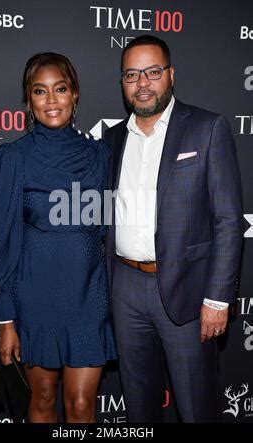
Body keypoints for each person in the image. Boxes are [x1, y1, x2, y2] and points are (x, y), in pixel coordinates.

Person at [104, 35, 243, 423]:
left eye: (152, 72)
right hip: (126, 290)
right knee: (138, 405)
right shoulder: (112, 139)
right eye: (132, 74)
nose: (142, 83)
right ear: (122, 82)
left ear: (171, 75)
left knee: (196, 405)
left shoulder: (206, 128)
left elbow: (229, 220)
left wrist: (217, 299)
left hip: (187, 289)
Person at [0, 52, 117, 423]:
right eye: (40, 91)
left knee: (81, 406)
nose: (51, 100)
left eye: (60, 89)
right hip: (34, 301)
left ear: (75, 94)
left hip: (90, 299)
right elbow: (3, 245)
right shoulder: (13, 159)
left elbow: (110, 229)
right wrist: (6, 320)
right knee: (41, 400)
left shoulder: (100, 156)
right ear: (29, 100)